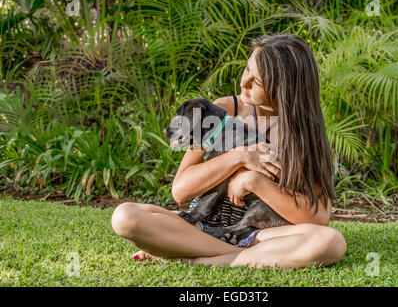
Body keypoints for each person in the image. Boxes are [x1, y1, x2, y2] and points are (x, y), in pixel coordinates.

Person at [111, 33, 347, 268]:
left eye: (257, 81)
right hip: (200, 226)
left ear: (284, 87)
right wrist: (239, 157)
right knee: (126, 217)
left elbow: (317, 218)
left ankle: (206, 259)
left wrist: (254, 181)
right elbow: (180, 191)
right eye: (247, 70)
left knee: (331, 242)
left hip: (258, 234)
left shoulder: (303, 132)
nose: (244, 83)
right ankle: (236, 255)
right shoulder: (223, 111)